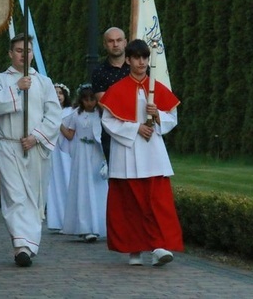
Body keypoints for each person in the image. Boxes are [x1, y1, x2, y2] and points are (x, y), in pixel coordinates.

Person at [99, 39, 183, 267]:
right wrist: (136, 127)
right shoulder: (117, 90)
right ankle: (133, 250)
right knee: (129, 205)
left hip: (152, 153)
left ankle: (159, 246)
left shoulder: (156, 87)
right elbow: (108, 121)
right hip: (127, 152)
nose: (141, 62)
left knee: (156, 202)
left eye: (145, 57)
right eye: (136, 57)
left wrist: (156, 116)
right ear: (128, 60)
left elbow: (172, 118)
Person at [0, 33, 61, 267]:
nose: (23, 55)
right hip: (9, 145)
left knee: (34, 198)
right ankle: (21, 246)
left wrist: (36, 137)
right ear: (10, 53)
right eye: (19, 50)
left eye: (27, 51)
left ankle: (29, 243)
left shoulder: (44, 82)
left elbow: (54, 114)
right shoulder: (0, 80)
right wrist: (17, 89)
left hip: (34, 146)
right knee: (15, 195)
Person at [62, 84, 108, 242]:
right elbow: (69, 134)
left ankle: (99, 225)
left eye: (92, 100)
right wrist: (57, 124)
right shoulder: (75, 115)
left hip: (96, 152)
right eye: (86, 100)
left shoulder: (101, 114)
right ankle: (84, 226)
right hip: (81, 152)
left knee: (97, 188)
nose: (90, 103)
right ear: (81, 100)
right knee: (82, 187)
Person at [92, 27, 130, 161]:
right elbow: (104, 104)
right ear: (105, 44)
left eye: (119, 40)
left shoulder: (138, 68)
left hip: (140, 129)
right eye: (111, 41)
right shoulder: (99, 72)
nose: (115, 44)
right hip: (112, 131)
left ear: (125, 42)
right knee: (116, 176)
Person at [46, 83, 73, 233]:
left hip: (67, 153)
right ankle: (57, 219)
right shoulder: (48, 111)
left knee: (68, 181)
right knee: (55, 184)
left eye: (60, 93)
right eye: (54, 93)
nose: (58, 95)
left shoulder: (71, 111)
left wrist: (59, 122)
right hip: (54, 150)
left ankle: (69, 218)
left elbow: (70, 133)